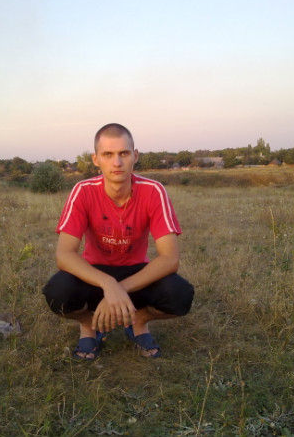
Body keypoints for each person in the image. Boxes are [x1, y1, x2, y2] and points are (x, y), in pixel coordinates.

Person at [42, 123, 194, 360]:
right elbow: (64, 255)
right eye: (108, 154)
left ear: (135, 156)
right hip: (94, 274)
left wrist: (119, 289)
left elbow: (169, 259)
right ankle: (90, 324)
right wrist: (108, 284)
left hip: (136, 273)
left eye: (124, 153)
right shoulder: (83, 191)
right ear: (96, 159)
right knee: (57, 291)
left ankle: (138, 321)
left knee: (180, 294)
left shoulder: (154, 191)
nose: (117, 162)